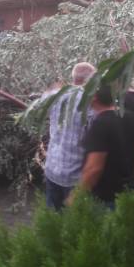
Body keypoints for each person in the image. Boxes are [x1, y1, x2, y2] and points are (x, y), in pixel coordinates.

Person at [67, 85, 134, 208]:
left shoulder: (99, 125)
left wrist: (74, 197)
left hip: (104, 199)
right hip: (127, 193)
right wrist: (133, 178)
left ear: (94, 97)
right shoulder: (130, 116)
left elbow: (94, 169)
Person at [43, 62, 96, 210]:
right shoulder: (90, 103)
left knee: (52, 222)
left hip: (52, 169)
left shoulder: (54, 96)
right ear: (90, 80)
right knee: (75, 226)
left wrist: (56, 87)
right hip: (75, 176)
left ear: (73, 77)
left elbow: (39, 103)